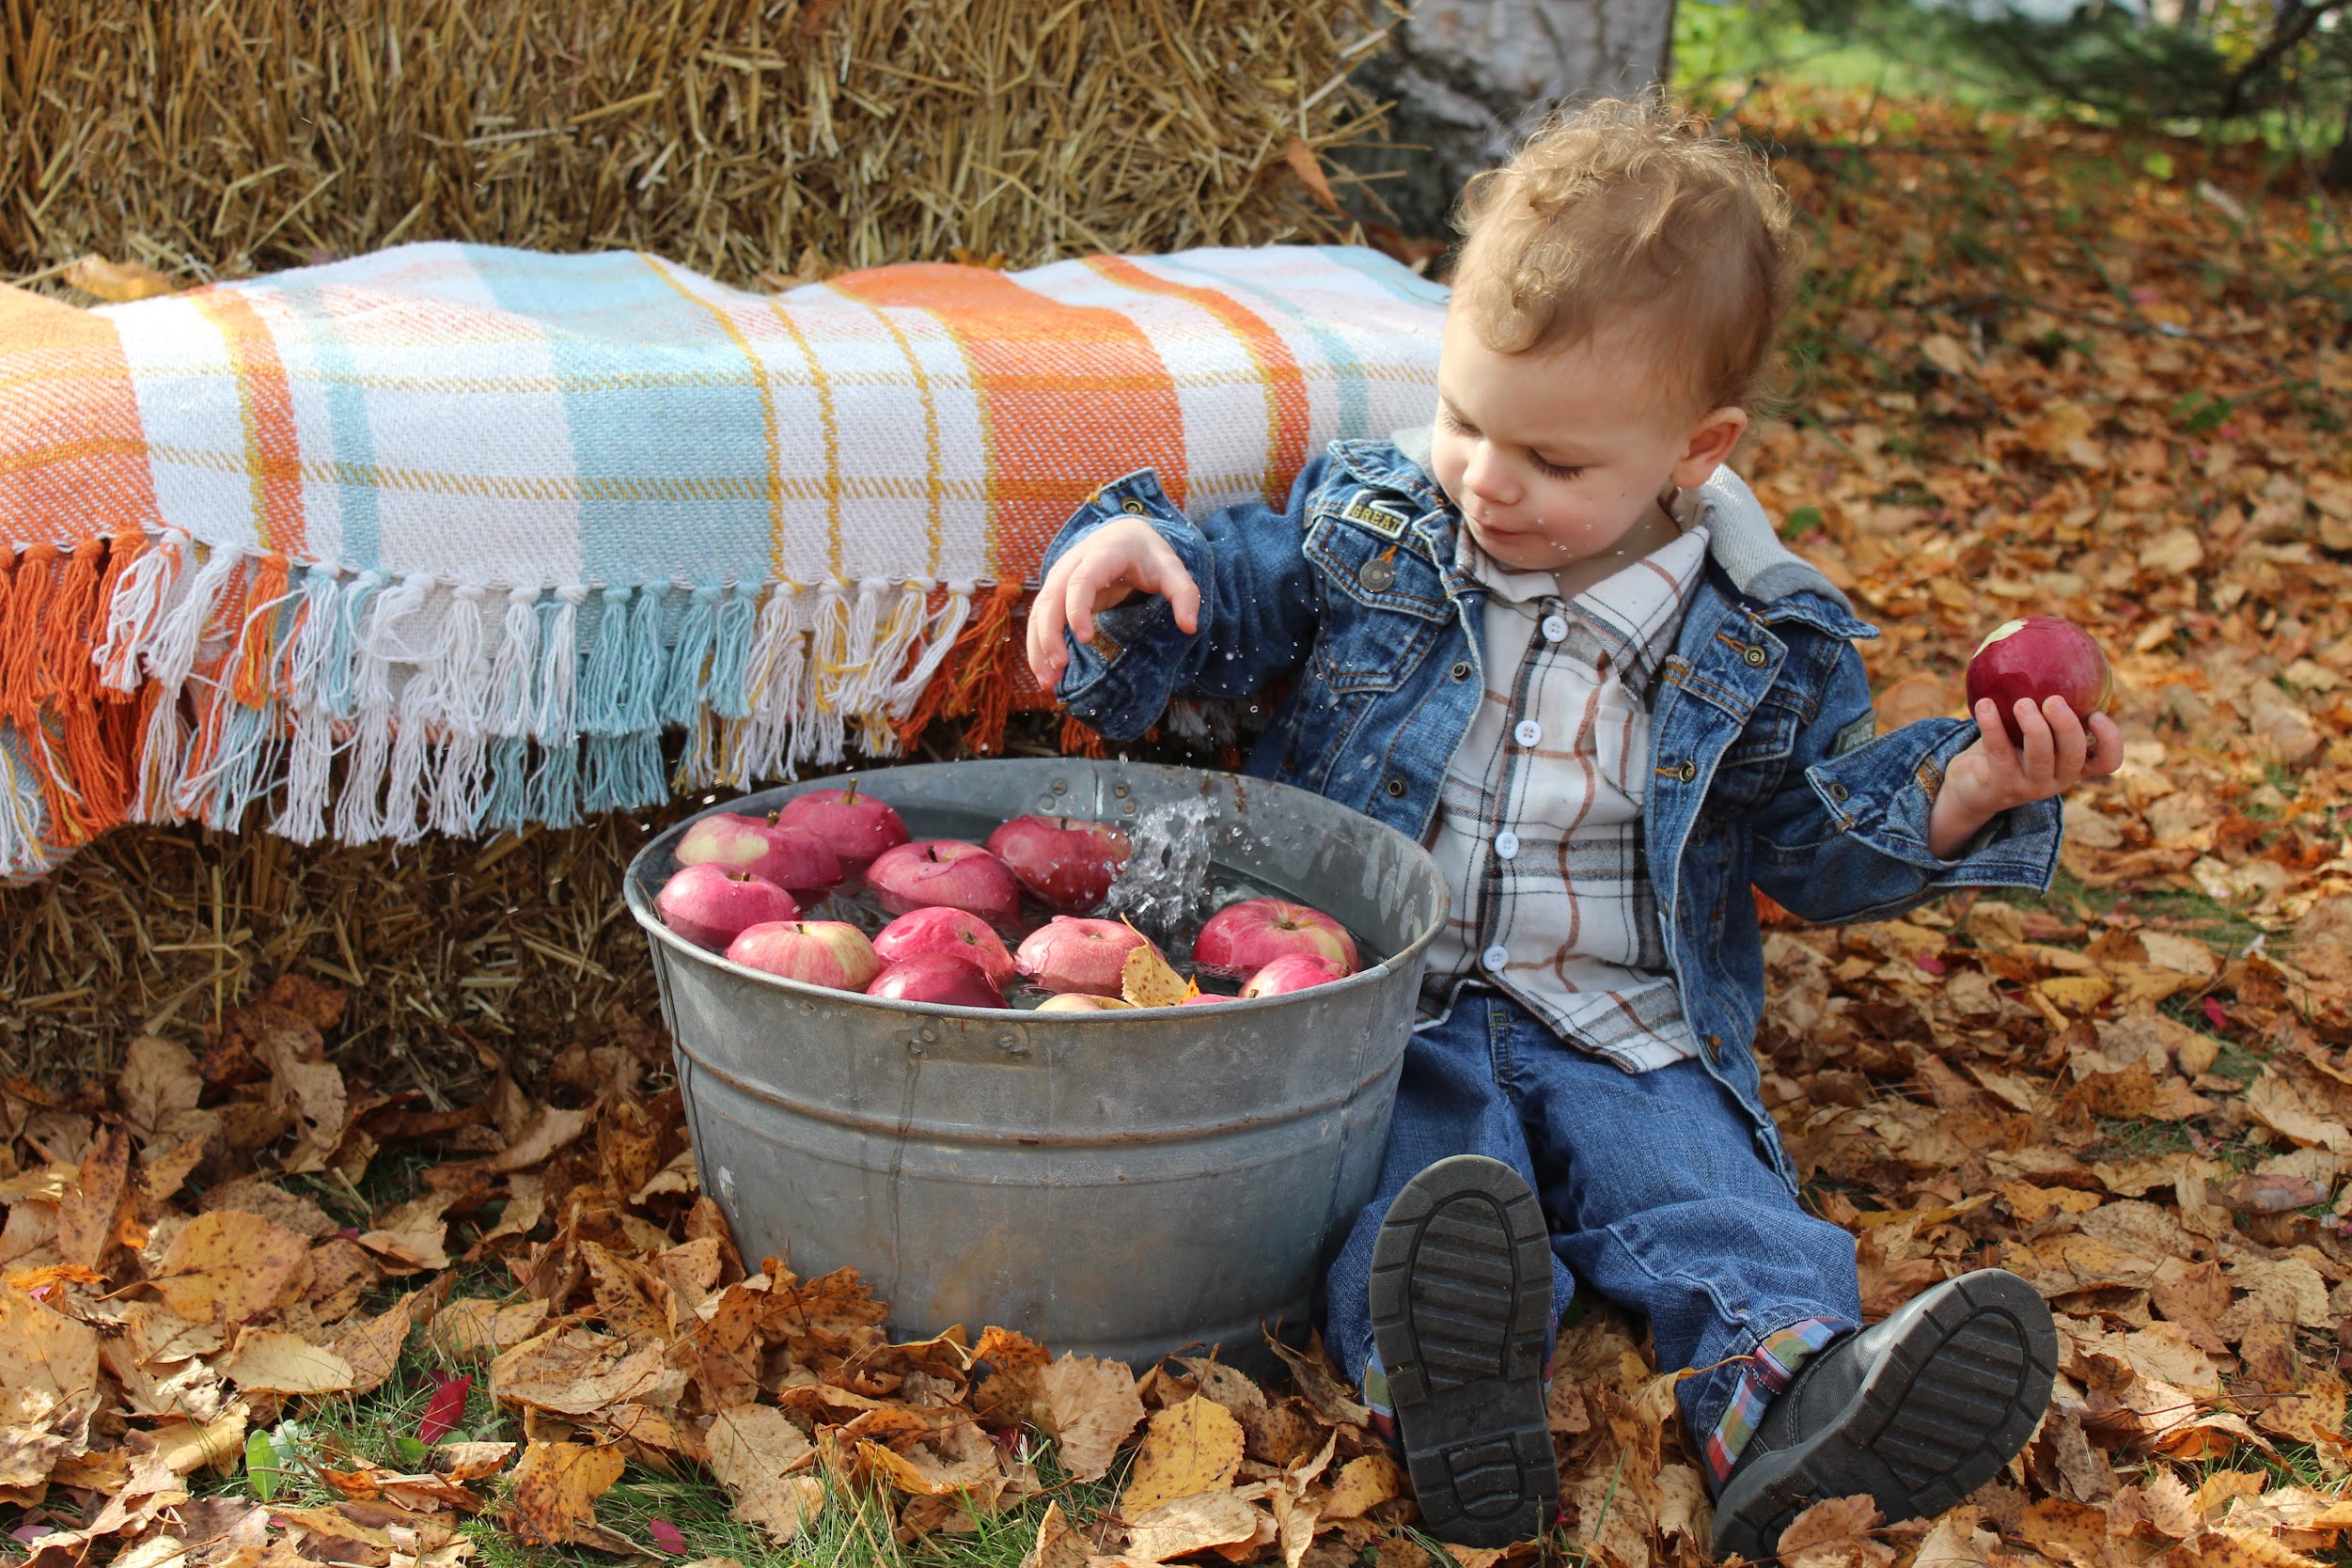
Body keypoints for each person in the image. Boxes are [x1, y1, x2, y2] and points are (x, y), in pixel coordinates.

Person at [1023, 96, 2118, 1559]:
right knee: (1417, 1196)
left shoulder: (1761, 642)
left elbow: (1802, 847)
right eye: (1466, 419)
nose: (1486, 477)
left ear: (1695, 448)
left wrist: (1964, 793)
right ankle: (1452, 1388)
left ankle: (1789, 1409)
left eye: (1550, 461)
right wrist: (1134, 552)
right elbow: (1241, 592)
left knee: (1699, 1191)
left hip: (1621, 1013)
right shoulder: (1389, 527)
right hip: (1387, 1007)